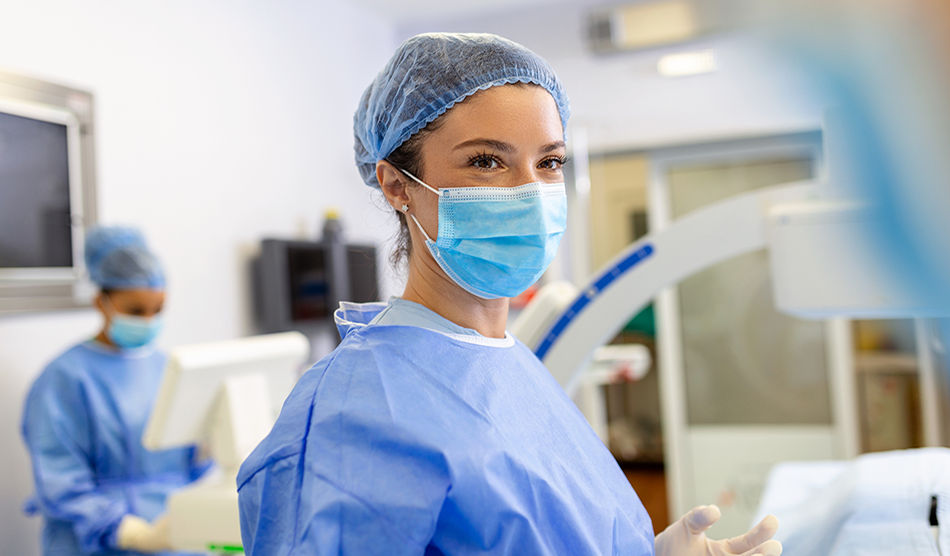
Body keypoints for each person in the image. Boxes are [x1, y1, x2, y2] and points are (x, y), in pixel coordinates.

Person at [237, 33, 782, 556]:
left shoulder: (512, 368)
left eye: (549, 162)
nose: (531, 192)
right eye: (486, 161)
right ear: (397, 185)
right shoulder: (353, 412)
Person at [21, 227, 210, 556]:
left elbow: (187, 465)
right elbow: (60, 480)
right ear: (101, 302)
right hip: (96, 544)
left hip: (175, 539)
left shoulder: (170, 368)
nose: (149, 321)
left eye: (158, 309)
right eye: (136, 311)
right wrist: (128, 532)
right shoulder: (65, 378)